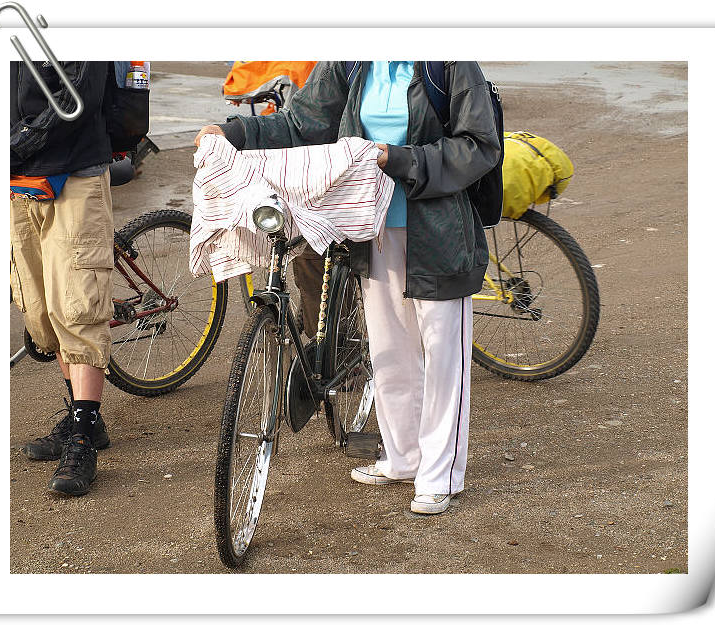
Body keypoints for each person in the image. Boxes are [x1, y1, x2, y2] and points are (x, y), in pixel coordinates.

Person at [196, 61, 500, 514]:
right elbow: (302, 123)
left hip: (438, 232)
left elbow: (478, 147)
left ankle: (441, 474)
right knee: (388, 350)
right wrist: (232, 133)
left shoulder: (447, 62)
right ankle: (402, 457)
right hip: (370, 228)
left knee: (442, 355)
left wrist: (397, 158)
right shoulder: (353, 60)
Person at [11, 61, 114, 496]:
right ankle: (83, 414)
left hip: (72, 173)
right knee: (41, 311)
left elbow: (78, 95)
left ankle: (82, 435)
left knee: (77, 307)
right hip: (15, 180)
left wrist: (19, 141)